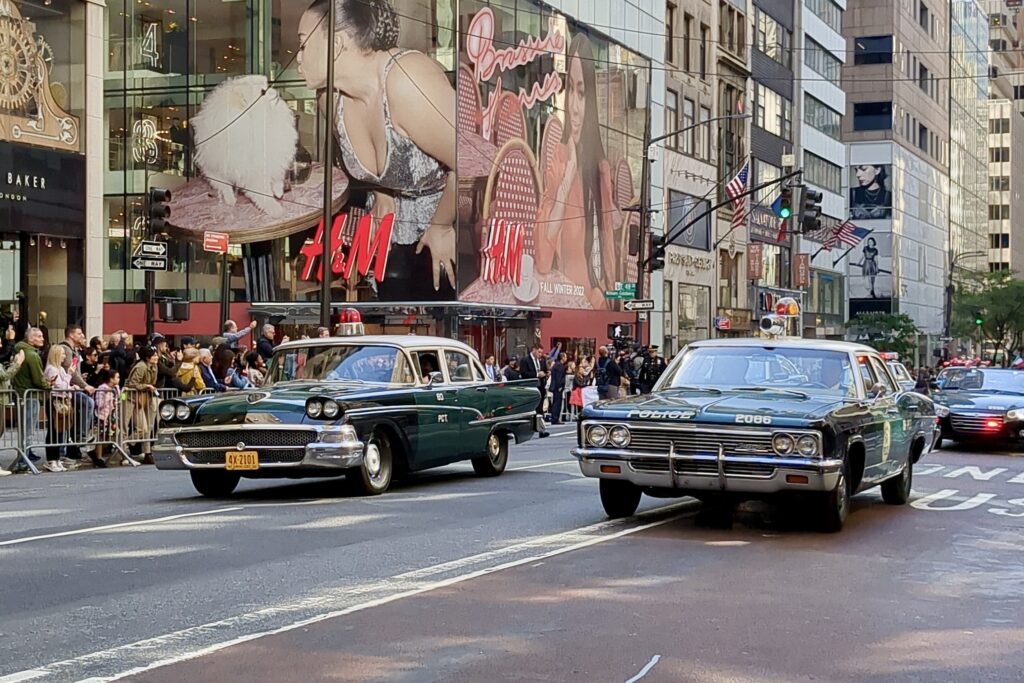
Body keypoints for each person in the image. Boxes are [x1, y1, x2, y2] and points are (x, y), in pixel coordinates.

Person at [298, 0, 457, 299]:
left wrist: (442, 225)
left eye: (303, 45)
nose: (297, 58)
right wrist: (382, 192)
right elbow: (368, 167)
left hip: (454, 220)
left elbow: (473, 163)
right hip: (393, 236)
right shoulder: (328, 100)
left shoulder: (408, 81)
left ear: (336, 44)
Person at [535, 33, 622, 310]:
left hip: (598, 301)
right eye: (570, 89)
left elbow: (608, 256)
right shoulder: (559, 159)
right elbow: (542, 258)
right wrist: (568, 176)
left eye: (582, 93)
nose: (574, 106)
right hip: (566, 299)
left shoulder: (601, 168)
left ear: (592, 100)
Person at [11, 327, 49, 466]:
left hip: (24, 394)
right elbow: (38, 379)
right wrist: (49, 385)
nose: (42, 339)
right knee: (28, 429)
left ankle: (27, 454)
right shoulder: (32, 355)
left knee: (26, 428)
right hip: (29, 395)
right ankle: (24, 459)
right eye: (39, 336)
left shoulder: (24, 352)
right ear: (30, 338)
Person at [125, 347, 159, 463]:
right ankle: (123, 446)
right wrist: (146, 386)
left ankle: (126, 444)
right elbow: (132, 384)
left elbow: (153, 382)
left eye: (156, 355)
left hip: (143, 399)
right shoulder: (141, 367)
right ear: (147, 357)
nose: (156, 357)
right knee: (128, 426)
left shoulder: (154, 367)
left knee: (144, 428)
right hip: (130, 398)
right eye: (154, 355)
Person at [519, 345, 550, 437]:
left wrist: (546, 374)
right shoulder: (525, 360)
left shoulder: (542, 360)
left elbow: (545, 370)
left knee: (540, 409)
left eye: (541, 352)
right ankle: (526, 429)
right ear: (533, 350)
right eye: (538, 352)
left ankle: (541, 430)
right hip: (530, 387)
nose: (540, 354)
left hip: (540, 387)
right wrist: (536, 374)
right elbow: (524, 374)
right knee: (530, 409)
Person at [92, 369, 120, 467]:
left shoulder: (116, 388)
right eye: (117, 377)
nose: (118, 380)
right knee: (100, 436)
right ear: (111, 379)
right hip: (102, 415)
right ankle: (98, 457)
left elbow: (119, 399)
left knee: (110, 435)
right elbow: (99, 404)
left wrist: (122, 393)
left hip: (112, 415)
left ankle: (104, 455)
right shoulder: (102, 388)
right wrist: (108, 395)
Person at [549, 352, 567, 425]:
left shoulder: (556, 365)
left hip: (555, 386)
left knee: (555, 402)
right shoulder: (559, 366)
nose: (566, 358)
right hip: (557, 387)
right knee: (557, 403)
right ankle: (555, 418)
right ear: (562, 357)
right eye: (565, 357)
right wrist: (560, 386)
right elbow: (559, 377)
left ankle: (555, 418)